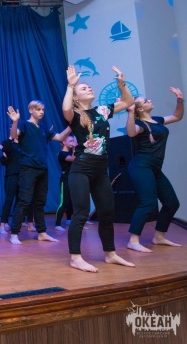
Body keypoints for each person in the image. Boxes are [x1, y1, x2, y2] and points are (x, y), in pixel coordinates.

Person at [63, 65, 136, 272]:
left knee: (107, 212)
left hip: (100, 171)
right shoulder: (75, 115)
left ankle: (110, 254)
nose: (89, 88)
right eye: (84, 88)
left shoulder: (102, 111)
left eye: (89, 87)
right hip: (81, 170)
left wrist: (122, 85)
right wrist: (71, 86)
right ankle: (75, 258)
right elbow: (66, 109)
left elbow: (128, 102)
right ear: (76, 97)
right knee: (81, 213)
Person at [125, 88, 184, 252]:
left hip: (155, 168)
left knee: (172, 203)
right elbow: (131, 133)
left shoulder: (157, 120)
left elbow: (177, 116)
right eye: (146, 101)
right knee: (148, 203)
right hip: (141, 166)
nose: (149, 100)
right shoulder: (139, 124)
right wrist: (130, 113)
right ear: (140, 109)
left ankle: (159, 236)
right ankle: (133, 240)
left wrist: (180, 100)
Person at [6, 100, 70, 245]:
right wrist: (15, 121)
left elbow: (60, 137)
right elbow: (14, 135)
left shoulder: (43, 128)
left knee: (40, 202)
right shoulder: (24, 125)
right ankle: (14, 233)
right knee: (24, 201)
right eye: (39, 109)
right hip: (28, 168)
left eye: (43, 109)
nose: (42, 112)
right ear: (31, 110)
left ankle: (42, 232)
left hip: (42, 169)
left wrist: (73, 124)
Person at [0, 135, 21, 234]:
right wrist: (11, 137)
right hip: (11, 175)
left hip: (22, 176)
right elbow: (4, 151)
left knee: (20, 201)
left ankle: (15, 223)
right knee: (9, 200)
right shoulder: (8, 143)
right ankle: (2, 225)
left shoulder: (22, 144)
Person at [54, 135, 77, 231]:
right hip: (65, 179)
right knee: (63, 202)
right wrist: (75, 148)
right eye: (70, 141)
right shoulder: (62, 153)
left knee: (72, 201)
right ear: (64, 142)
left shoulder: (72, 152)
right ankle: (57, 224)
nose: (72, 143)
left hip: (73, 179)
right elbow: (72, 159)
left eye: (73, 141)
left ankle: (69, 220)